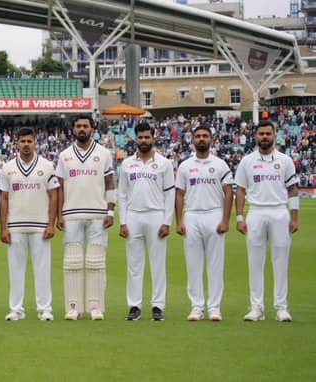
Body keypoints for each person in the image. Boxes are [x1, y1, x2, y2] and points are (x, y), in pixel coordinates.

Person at [235, 120, 299, 322]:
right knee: (255, 262)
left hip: (280, 211)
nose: (264, 137)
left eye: (268, 133)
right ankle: (257, 308)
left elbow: (292, 189)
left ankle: (281, 307)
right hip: (256, 212)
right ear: (255, 136)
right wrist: (239, 217)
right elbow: (241, 190)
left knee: (281, 261)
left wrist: (294, 217)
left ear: (274, 135)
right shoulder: (247, 161)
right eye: (261, 133)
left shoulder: (285, 160)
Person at [55, 115, 115, 321]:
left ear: (92, 128)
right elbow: (60, 187)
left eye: (85, 126)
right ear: (73, 129)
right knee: (72, 262)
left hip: (98, 213)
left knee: (96, 262)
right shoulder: (64, 155)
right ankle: (73, 307)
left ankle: (96, 307)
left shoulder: (104, 153)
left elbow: (110, 183)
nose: (82, 129)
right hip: (71, 213)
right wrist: (59, 213)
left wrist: (110, 211)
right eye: (78, 126)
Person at [174, 125, 233, 322]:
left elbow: (228, 192)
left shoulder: (220, 164)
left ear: (212, 139)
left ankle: (214, 308)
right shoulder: (185, 165)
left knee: (216, 265)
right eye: (198, 136)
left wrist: (226, 220)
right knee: (193, 265)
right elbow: (180, 194)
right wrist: (179, 220)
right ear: (192, 140)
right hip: (192, 216)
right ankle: (197, 307)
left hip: (214, 214)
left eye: (205, 136)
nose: (201, 139)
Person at [0, 127, 59, 321]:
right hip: (15, 225)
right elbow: (4, 199)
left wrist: (51, 224)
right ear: (16, 143)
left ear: (35, 143)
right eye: (22, 141)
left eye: (29, 141)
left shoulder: (48, 166)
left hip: (40, 226)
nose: (26, 144)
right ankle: (16, 309)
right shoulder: (7, 167)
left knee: (42, 268)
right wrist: (4, 227)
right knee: (16, 270)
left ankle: (45, 309)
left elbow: (54, 196)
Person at [118, 122, 175, 321]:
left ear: (154, 137)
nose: (144, 141)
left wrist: (167, 221)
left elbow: (170, 194)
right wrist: (122, 222)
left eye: (147, 137)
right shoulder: (127, 163)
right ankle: (134, 305)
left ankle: (158, 306)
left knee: (158, 264)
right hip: (133, 215)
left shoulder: (164, 163)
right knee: (134, 264)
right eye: (140, 137)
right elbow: (122, 195)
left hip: (156, 216)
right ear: (136, 138)